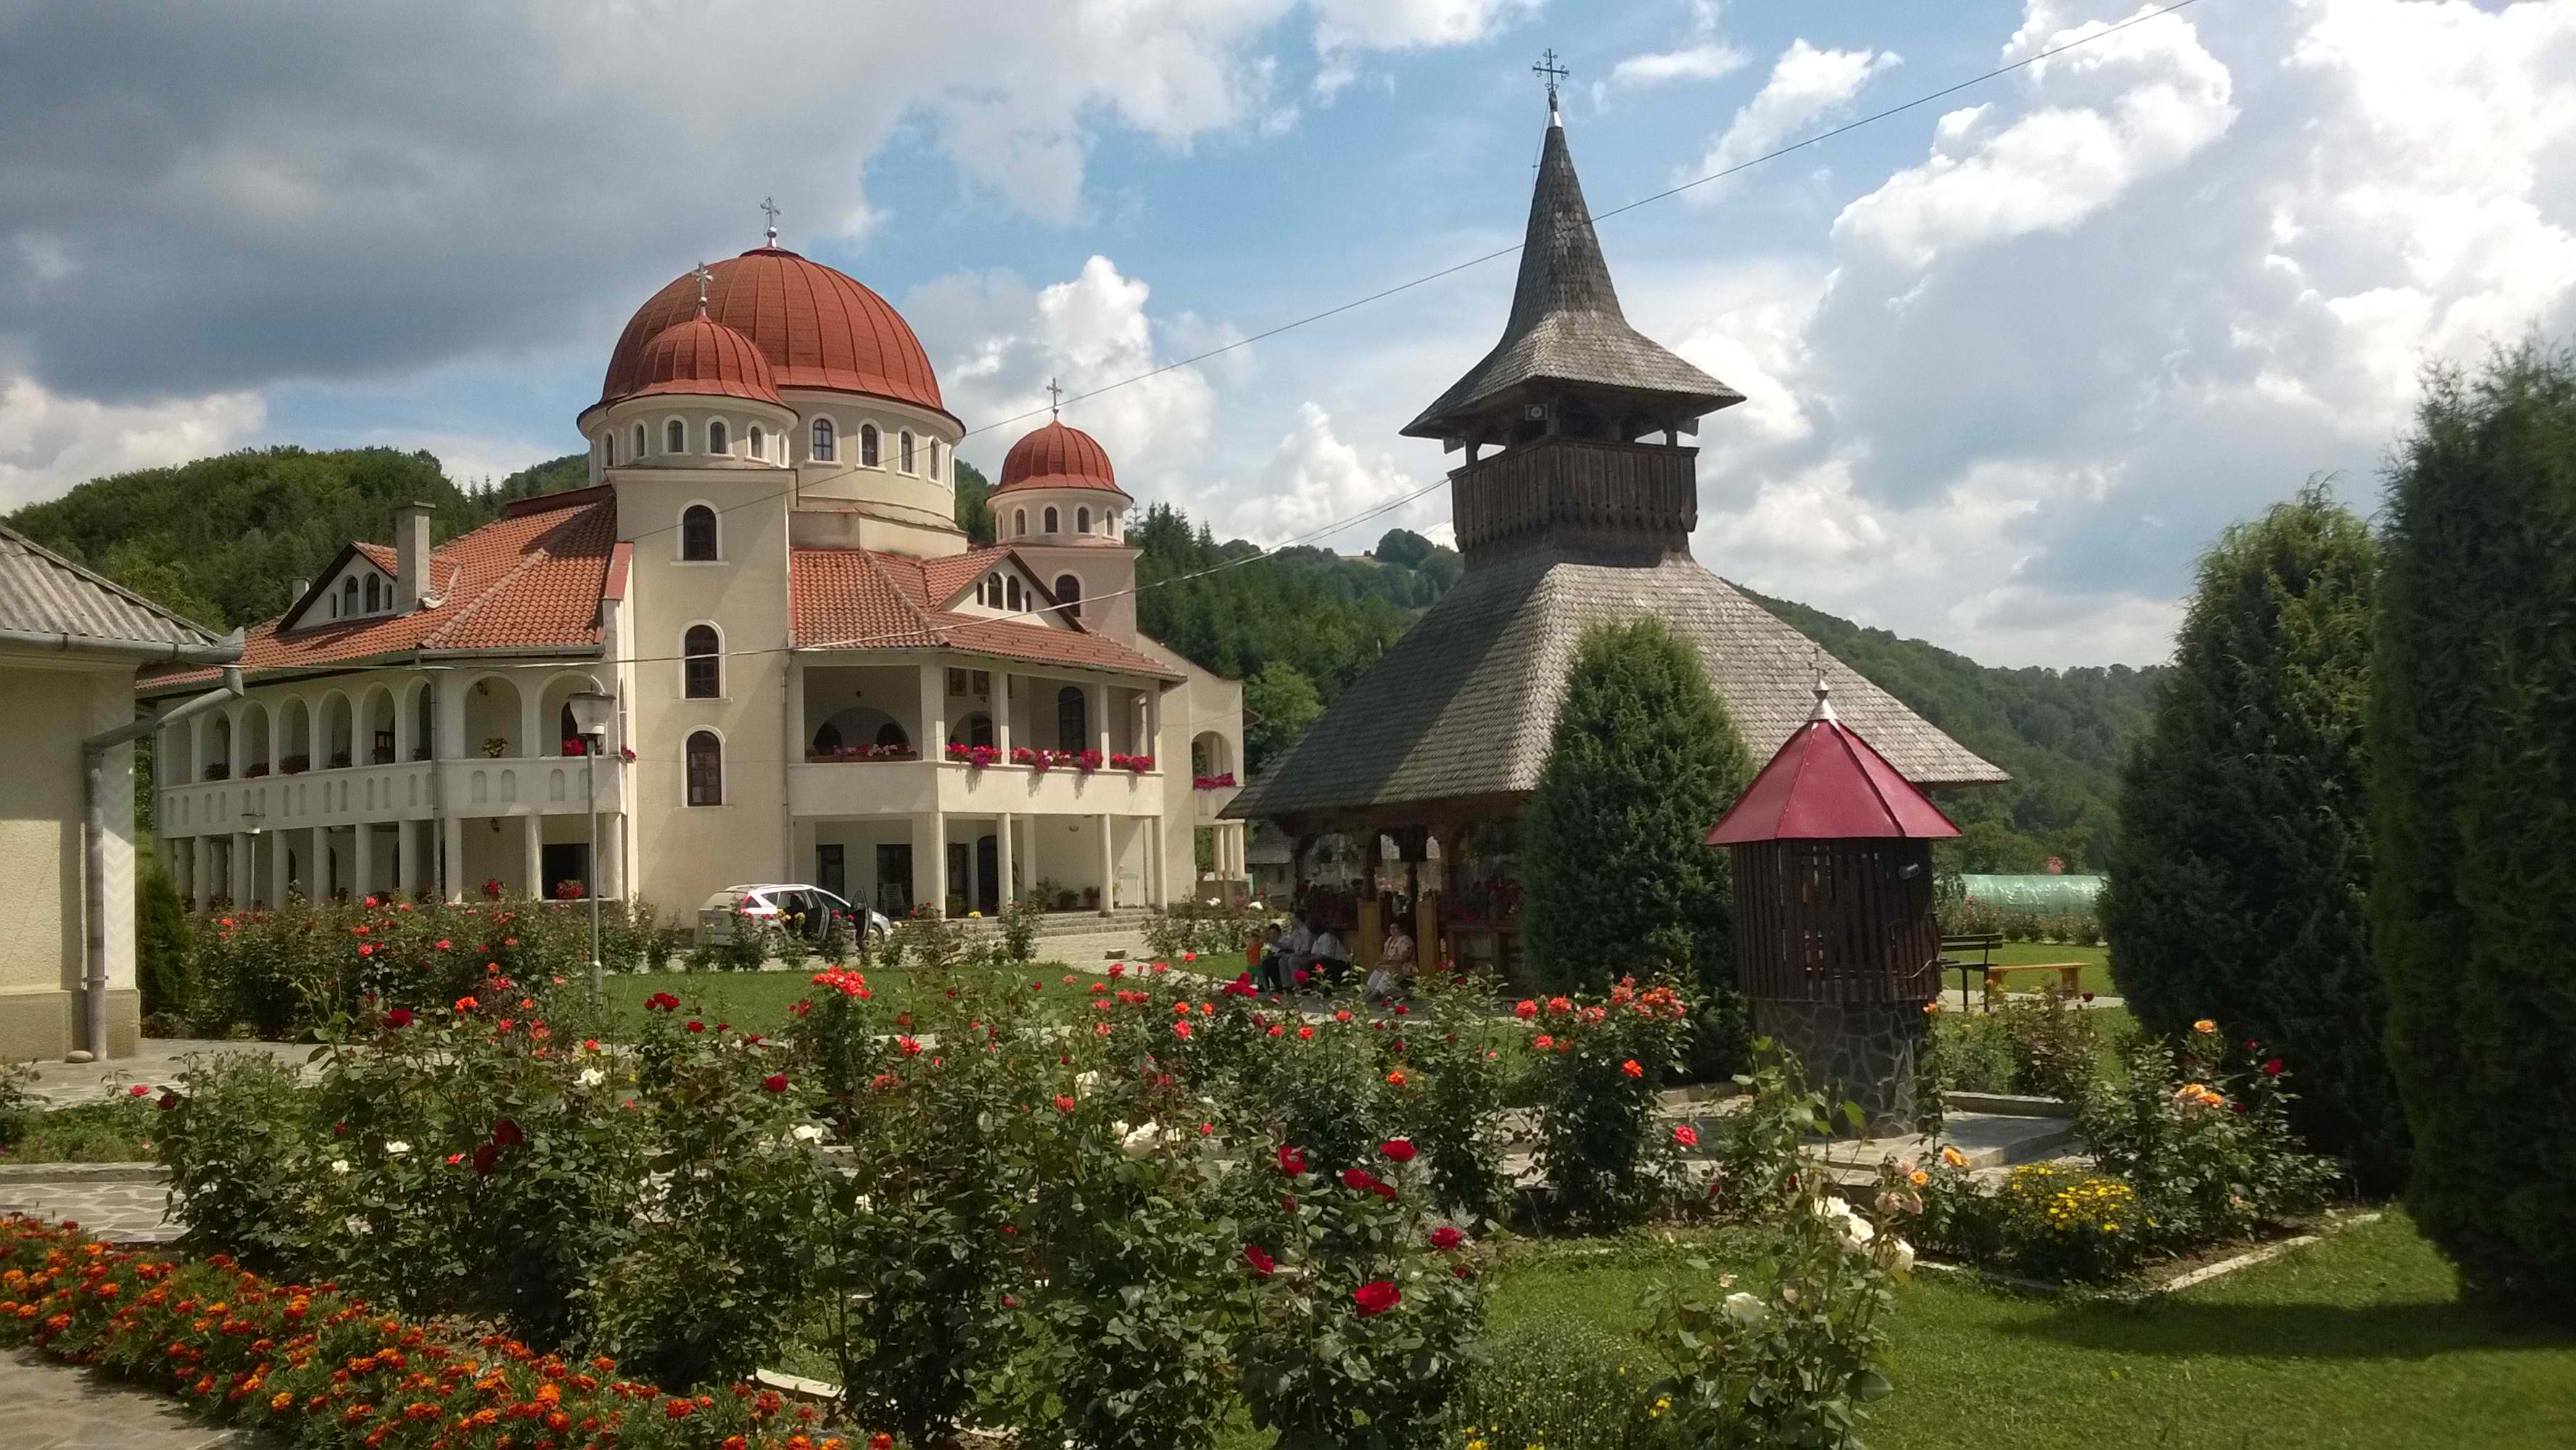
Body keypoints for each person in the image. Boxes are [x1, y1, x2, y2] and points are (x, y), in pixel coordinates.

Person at [1366, 917, 1416, 1003]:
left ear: (1400, 929)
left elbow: (1404, 958)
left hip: (1403, 966)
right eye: (1390, 928)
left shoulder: (1406, 940)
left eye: (1395, 928)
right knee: (1377, 972)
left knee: (1388, 974)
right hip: (1390, 965)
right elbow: (1384, 956)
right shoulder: (1389, 940)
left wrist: (1389, 959)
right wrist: (1381, 962)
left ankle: (1374, 994)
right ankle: (1367, 992)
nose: (1392, 930)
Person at [1308, 920, 1350, 992]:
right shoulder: (1317, 939)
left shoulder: (1327, 937)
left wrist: (1314, 958)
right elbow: (1314, 954)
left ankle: (1326, 987)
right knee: (1311, 964)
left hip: (1341, 962)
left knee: (1322, 964)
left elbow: (1327, 956)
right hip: (1327, 960)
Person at [1284, 912, 1317, 990]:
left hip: (1307, 955)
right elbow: (1288, 945)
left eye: (1292, 919)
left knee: (1293, 960)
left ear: (1298, 919)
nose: (1291, 920)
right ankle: (1287, 985)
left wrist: (1294, 955)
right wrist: (1274, 942)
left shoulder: (1306, 931)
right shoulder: (1295, 932)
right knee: (1283, 960)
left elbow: (1307, 950)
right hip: (1298, 953)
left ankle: (1299, 985)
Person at [1256, 922, 1287, 994]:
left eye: (1274, 933)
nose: (1272, 936)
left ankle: (1276, 986)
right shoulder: (1272, 942)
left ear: (1279, 933)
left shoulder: (1284, 940)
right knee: (1263, 963)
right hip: (1274, 957)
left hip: (1282, 957)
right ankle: (1263, 986)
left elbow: (1285, 951)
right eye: (1271, 934)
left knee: (1269, 963)